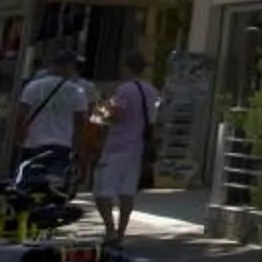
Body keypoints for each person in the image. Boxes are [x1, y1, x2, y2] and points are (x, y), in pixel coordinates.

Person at [92, 53, 159, 245]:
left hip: (117, 145)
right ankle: (121, 231)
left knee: (103, 191)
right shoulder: (152, 90)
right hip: (137, 146)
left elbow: (114, 116)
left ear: (127, 67)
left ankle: (110, 230)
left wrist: (100, 110)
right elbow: (153, 120)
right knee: (127, 191)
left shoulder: (124, 90)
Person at [12, 45, 91, 185]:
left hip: (32, 145)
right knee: (54, 187)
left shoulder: (33, 87)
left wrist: (19, 139)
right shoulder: (77, 92)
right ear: (68, 66)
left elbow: (21, 116)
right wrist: (79, 151)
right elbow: (80, 125)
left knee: (28, 185)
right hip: (61, 147)